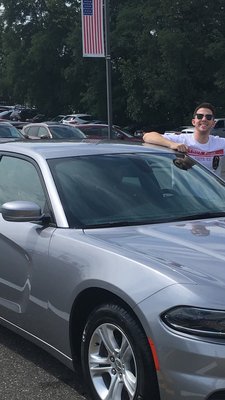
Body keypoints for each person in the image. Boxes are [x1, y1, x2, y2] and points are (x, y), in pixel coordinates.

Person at [143, 102, 225, 177]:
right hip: (183, 192)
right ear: (193, 122)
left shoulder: (220, 143)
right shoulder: (181, 140)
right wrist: (172, 144)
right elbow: (147, 136)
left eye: (208, 117)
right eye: (200, 116)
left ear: (213, 123)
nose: (204, 119)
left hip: (213, 192)